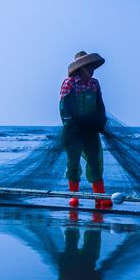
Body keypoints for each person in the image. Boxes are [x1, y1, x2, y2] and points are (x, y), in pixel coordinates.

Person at [60, 51, 111, 209]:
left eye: (92, 66)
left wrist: (100, 121)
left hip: (90, 129)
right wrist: (69, 123)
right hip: (73, 131)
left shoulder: (95, 84)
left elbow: (99, 105)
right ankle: (74, 197)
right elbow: (64, 106)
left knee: (95, 161)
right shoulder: (69, 83)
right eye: (89, 66)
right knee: (73, 162)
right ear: (81, 68)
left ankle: (99, 197)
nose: (92, 69)